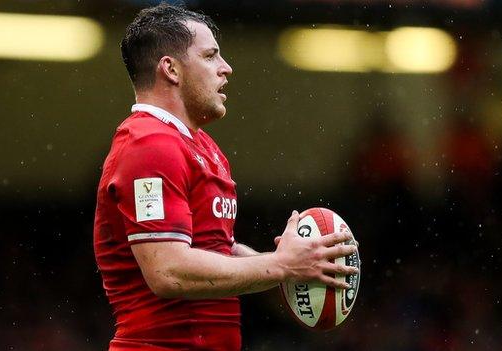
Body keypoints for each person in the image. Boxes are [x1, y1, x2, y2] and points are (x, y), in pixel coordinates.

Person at [93, 4, 358, 351]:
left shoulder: (204, 148)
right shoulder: (149, 145)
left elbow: (215, 251)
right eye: (210, 56)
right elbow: (168, 271)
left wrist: (296, 265)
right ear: (171, 69)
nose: (226, 68)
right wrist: (279, 265)